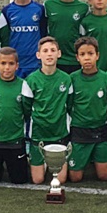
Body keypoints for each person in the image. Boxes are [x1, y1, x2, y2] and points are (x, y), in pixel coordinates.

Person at [22, 36, 72, 185]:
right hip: (39, 134)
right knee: (38, 180)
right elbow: (26, 108)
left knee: (61, 180)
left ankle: (53, 162)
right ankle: (38, 160)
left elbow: (70, 105)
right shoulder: (31, 80)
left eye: (52, 50)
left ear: (59, 53)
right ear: (38, 55)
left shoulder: (66, 79)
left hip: (60, 133)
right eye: (45, 51)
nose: (49, 54)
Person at [68, 37, 107, 182]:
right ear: (77, 57)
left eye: (90, 53)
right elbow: (68, 105)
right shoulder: (72, 79)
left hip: (100, 131)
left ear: (97, 55)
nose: (87, 58)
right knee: (75, 178)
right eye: (82, 54)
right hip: (79, 131)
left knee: (104, 176)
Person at [0, 47, 30, 185]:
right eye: (3, 63)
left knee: (19, 180)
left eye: (11, 63)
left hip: (15, 141)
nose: (7, 67)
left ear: (17, 66)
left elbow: (27, 111)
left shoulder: (23, 85)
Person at [1, 0, 46, 79]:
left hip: (35, 63)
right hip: (14, 64)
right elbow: (5, 38)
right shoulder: (7, 11)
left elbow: (43, 35)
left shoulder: (39, 9)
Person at [44, 0, 90, 74]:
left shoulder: (83, 8)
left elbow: (86, 35)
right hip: (54, 59)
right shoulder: (48, 5)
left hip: (75, 59)